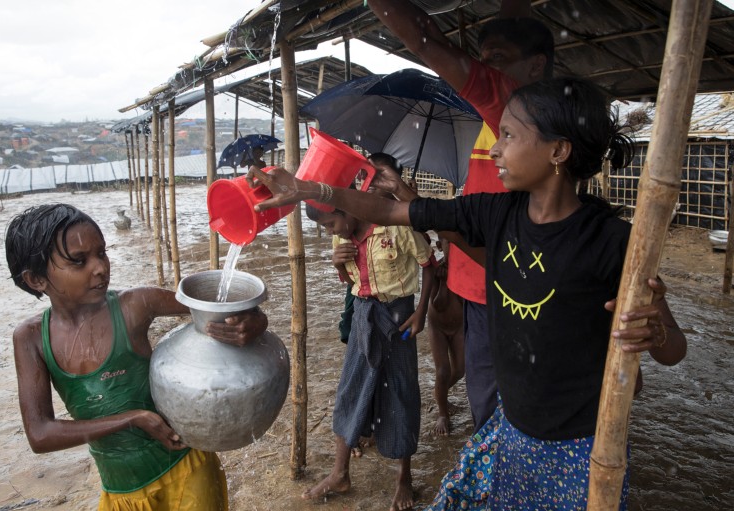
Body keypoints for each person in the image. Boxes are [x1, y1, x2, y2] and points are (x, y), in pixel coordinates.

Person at [248, 76, 687, 510]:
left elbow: (673, 350)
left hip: (580, 446)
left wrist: (655, 336)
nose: (495, 149)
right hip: (510, 429)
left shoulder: (613, 241)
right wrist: (311, 189)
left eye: (509, 136)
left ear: (558, 151)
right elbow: (390, 210)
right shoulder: (495, 212)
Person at [367, 0, 555, 433]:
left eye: (497, 60)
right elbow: (465, 208)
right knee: (487, 394)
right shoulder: (494, 124)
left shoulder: (515, 103)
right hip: (475, 286)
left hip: (507, 287)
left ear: (536, 67)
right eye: (482, 60)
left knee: (507, 403)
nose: (481, 69)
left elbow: (427, 41)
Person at [5, 203, 268, 511]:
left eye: (101, 253)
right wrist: (131, 419)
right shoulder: (32, 338)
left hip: (187, 472)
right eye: (79, 261)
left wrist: (255, 323)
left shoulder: (135, 306)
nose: (100, 268)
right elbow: (40, 434)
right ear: (36, 280)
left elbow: (233, 309)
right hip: (120, 491)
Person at [302, 200, 434, 511]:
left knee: (400, 389)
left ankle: (404, 477)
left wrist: (420, 312)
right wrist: (337, 264)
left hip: (399, 313)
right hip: (363, 312)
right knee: (351, 388)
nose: (331, 232)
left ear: (345, 210)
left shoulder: (396, 229)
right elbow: (351, 282)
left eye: (330, 224)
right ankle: (340, 473)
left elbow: (430, 266)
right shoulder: (342, 238)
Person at [427, 236, 465, 436]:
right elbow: (438, 305)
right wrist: (443, 282)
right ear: (440, 246)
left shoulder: (465, 269)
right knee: (442, 370)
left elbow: (465, 302)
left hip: (458, 326)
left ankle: (440, 393)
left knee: (460, 370)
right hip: (438, 327)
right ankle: (443, 413)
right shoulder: (437, 270)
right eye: (450, 244)